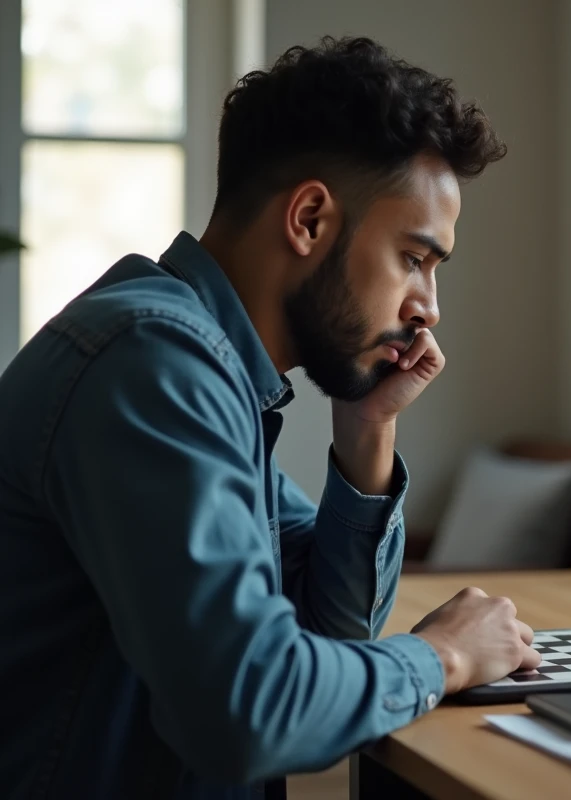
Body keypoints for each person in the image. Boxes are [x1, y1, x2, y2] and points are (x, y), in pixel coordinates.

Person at [0, 36, 540, 798]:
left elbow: (327, 633)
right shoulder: (154, 362)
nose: (429, 310)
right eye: (415, 258)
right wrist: (444, 656)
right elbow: (252, 710)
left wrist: (367, 429)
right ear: (311, 219)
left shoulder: (213, 371)